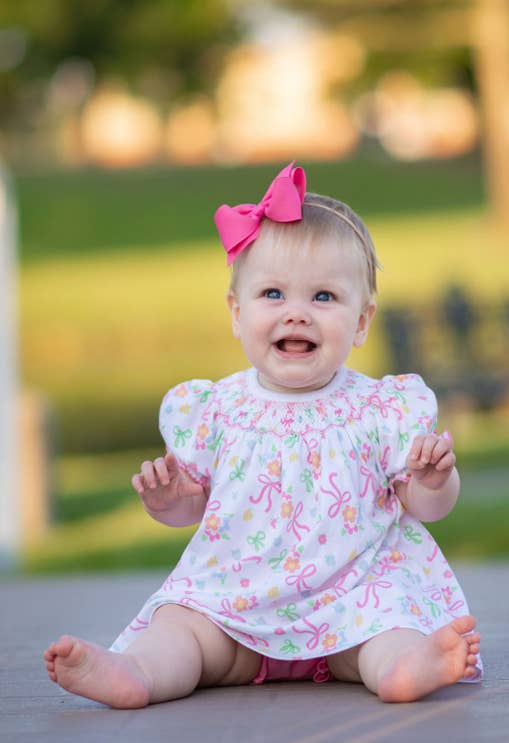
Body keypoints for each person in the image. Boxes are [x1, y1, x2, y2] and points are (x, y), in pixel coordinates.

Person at [44, 162, 482, 708]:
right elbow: (194, 509)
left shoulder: (381, 408)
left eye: (323, 298)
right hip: (236, 605)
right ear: (236, 311)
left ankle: (404, 666)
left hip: (351, 602)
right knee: (182, 624)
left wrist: (434, 478)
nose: (296, 314)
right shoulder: (213, 409)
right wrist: (170, 501)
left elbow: (427, 505)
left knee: (390, 621)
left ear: (363, 321)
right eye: (273, 293)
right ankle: (137, 671)